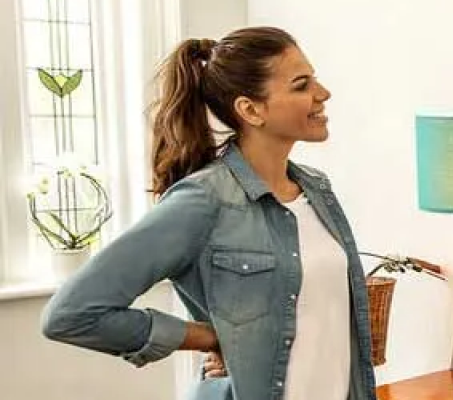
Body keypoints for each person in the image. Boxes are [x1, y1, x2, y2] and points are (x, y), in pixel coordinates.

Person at [39, 26, 384, 400]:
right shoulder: (202, 200)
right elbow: (71, 313)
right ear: (251, 110)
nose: (322, 93)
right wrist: (209, 336)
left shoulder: (318, 190)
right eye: (301, 85)